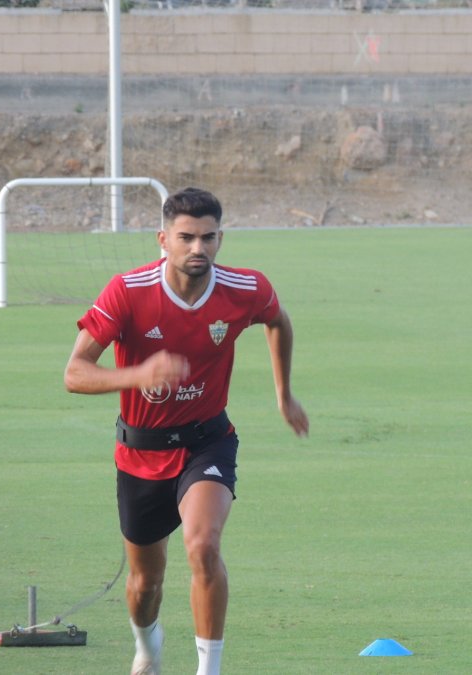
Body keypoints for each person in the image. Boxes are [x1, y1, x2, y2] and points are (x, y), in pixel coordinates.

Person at [64, 187, 309, 675]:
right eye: (187, 237)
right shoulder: (127, 292)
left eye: (209, 237)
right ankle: (148, 651)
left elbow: (278, 321)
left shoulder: (246, 289)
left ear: (221, 237)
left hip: (207, 442)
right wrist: (136, 374)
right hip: (141, 453)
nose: (199, 248)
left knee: (203, 545)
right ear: (164, 239)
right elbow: (74, 372)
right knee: (144, 584)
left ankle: (208, 670)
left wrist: (284, 393)